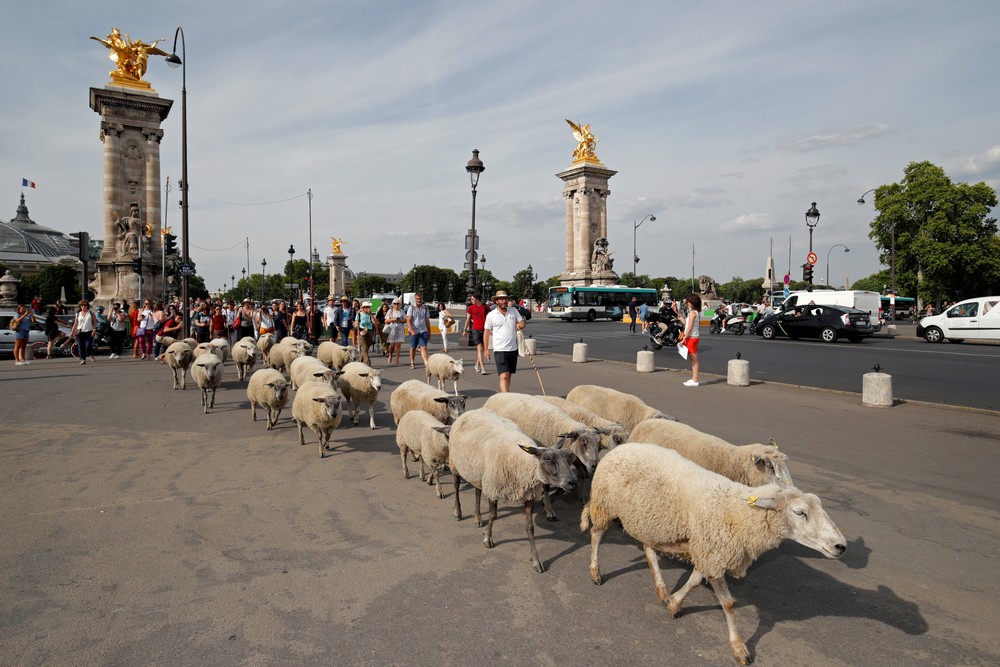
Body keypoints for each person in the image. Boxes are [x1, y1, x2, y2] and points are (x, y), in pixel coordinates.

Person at [483, 290, 525, 392]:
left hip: (513, 348)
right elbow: (486, 332)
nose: (504, 301)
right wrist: (486, 350)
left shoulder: (513, 311)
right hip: (499, 349)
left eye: (505, 299)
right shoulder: (491, 315)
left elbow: (522, 322)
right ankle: (506, 397)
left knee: (509, 375)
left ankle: (504, 393)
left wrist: (520, 325)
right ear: (496, 301)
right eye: (501, 299)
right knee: (504, 375)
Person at [462, 292, 488, 374]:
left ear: (477, 299)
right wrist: (464, 330)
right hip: (475, 330)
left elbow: (490, 318)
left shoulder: (486, 307)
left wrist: (491, 330)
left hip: (485, 330)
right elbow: (468, 319)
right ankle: (483, 368)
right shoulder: (471, 308)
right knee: (480, 349)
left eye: (473, 299)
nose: (471, 300)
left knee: (481, 349)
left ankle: (477, 364)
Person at [406, 293, 431, 369]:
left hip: (423, 331)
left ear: (422, 299)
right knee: (413, 347)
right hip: (414, 331)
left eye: (420, 299)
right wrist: (412, 330)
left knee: (423, 347)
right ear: (415, 299)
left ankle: (426, 364)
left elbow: (427, 321)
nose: (419, 300)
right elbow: (408, 320)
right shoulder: (412, 308)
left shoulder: (425, 308)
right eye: (417, 299)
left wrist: (429, 332)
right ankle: (412, 362)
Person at [681, 294, 702, 387]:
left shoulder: (693, 313)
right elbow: (686, 323)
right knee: (693, 359)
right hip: (693, 337)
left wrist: (684, 338)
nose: (687, 304)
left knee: (694, 360)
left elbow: (689, 327)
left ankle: (695, 380)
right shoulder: (695, 312)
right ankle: (694, 379)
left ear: (692, 303)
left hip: (691, 337)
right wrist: (679, 315)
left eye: (689, 302)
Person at [72, 300, 98, 365]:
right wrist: (72, 331)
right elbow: (75, 323)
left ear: (87, 306)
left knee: (88, 346)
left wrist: (94, 330)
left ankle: (91, 354)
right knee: (80, 346)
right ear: (80, 306)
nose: (84, 306)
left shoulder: (91, 313)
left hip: (89, 331)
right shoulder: (78, 314)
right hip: (80, 332)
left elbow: (95, 322)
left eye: (85, 305)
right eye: (82, 305)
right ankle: (83, 359)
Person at [385, 298, 406, 366]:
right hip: (392, 329)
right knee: (392, 345)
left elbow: (405, 320)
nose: (396, 305)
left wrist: (400, 320)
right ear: (392, 304)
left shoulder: (402, 311)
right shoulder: (390, 311)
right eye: (395, 304)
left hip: (400, 329)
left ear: (400, 304)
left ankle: (397, 360)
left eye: (398, 303)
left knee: (398, 345)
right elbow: (386, 321)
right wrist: (392, 319)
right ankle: (390, 355)